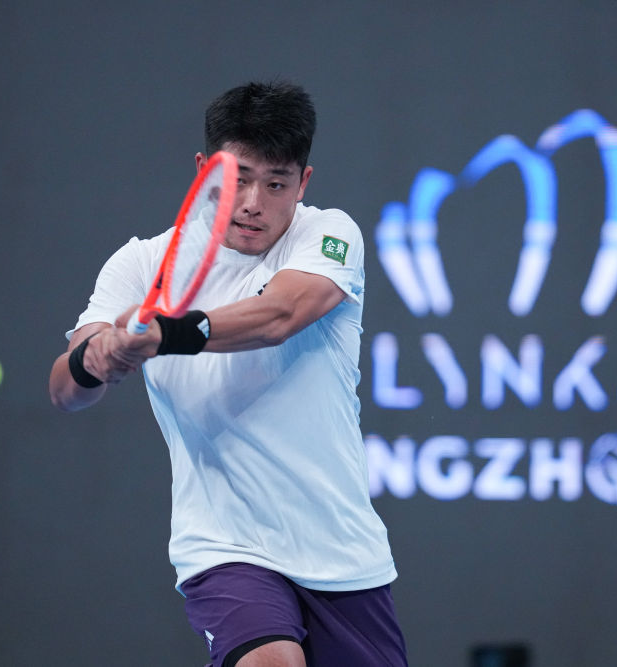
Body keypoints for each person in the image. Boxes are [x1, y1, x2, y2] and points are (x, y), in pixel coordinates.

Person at [49, 80, 407, 667]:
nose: (252, 203)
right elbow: (66, 391)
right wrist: (96, 360)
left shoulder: (329, 234)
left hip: (342, 552)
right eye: (238, 178)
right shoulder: (140, 264)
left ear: (303, 183)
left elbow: (280, 315)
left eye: (276, 184)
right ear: (204, 171)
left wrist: (167, 333)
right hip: (224, 547)